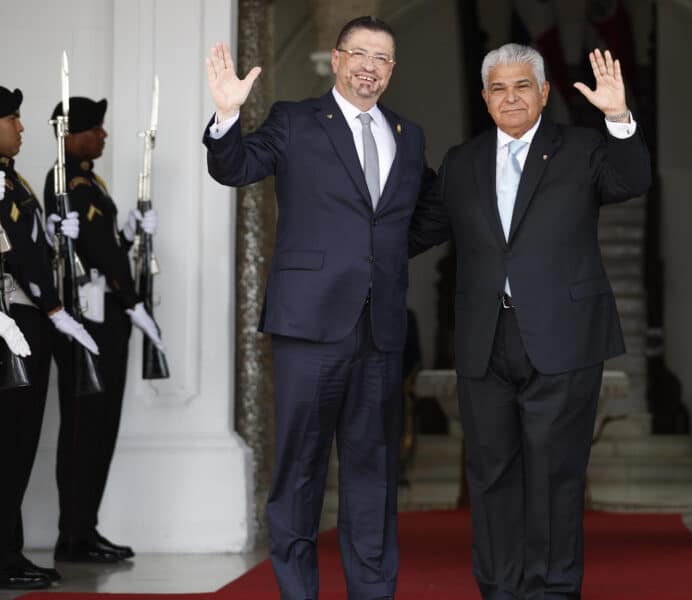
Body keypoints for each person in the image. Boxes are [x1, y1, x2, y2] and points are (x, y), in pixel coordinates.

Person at [409, 43, 650, 600]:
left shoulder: (583, 149)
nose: (511, 97)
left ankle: (553, 589)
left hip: (564, 336)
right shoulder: (461, 162)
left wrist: (618, 116)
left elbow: (632, 179)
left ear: (543, 93)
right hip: (483, 339)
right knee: (490, 476)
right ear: (485, 98)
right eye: (499, 87)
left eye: (523, 86)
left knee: (555, 477)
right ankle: (499, 588)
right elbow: (415, 233)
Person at [203, 16, 430, 600]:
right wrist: (227, 118)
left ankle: (373, 592)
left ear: (392, 70)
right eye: (358, 53)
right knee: (300, 472)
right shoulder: (295, 120)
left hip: (380, 329)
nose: (369, 66)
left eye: (381, 58)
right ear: (335, 59)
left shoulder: (408, 134)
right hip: (309, 324)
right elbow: (234, 167)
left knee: (373, 475)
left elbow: (420, 215)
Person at [44, 96, 163, 563]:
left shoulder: (87, 180)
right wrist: (133, 302)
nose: (104, 135)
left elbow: (105, 245)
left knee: (99, 429)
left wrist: (131, 232)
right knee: (84, 431)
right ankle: (73, 535)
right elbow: (100, 254)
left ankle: (83, 530)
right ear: (72, 135)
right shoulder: (69, 182)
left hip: (102, 319)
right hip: (88, 324)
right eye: (95, 128)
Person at [0, 85, 94, 590]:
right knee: (10, 444)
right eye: (12, 118)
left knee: (18, 445)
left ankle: (8, 551)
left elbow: (32, 244)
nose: (21, 127)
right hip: (15, 319)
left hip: (29, 315)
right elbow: (16, 257)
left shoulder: (12, 181)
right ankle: (4, 556)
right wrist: (55, 307)